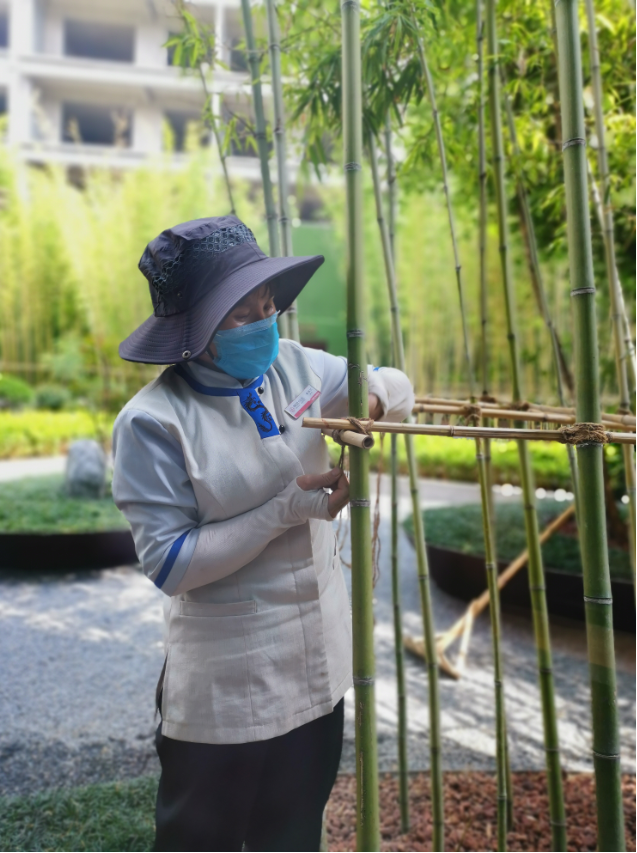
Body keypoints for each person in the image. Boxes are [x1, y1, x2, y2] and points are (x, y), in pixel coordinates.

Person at [112, 215, 414, 852]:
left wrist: (370, 405)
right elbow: (170, 564)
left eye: (268, 303)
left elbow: (397, 383)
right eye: (240, 313)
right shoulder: (153, 422)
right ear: (195, 331)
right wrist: (285, 511)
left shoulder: (296, 367)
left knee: (295, 835)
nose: (263, 321)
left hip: (317, 669)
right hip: (227, 687)